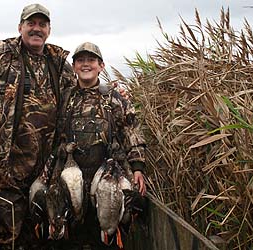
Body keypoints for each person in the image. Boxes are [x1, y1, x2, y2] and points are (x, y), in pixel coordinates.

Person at [0, 3, 75, 249]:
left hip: (44, 172)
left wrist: (110, 92)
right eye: (31, 24)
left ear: (49, 30)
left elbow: (79, 93)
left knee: (38, 237)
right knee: (6, 238)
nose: (36, 29)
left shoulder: (57, 62)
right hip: (4, 169)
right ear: (20, 27)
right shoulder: (0, 56)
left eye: (42, 24)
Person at [51, 42, 147, 250]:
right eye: (81, 61)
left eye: (91, 60)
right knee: (70, 236)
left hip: (109, 173)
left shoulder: (114, 96)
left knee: (108, 232)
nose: (86, 65)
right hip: (71, 172)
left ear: (101, 66)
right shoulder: (65, 96)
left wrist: (138, 167)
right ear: (74, 66)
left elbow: (131, 130)